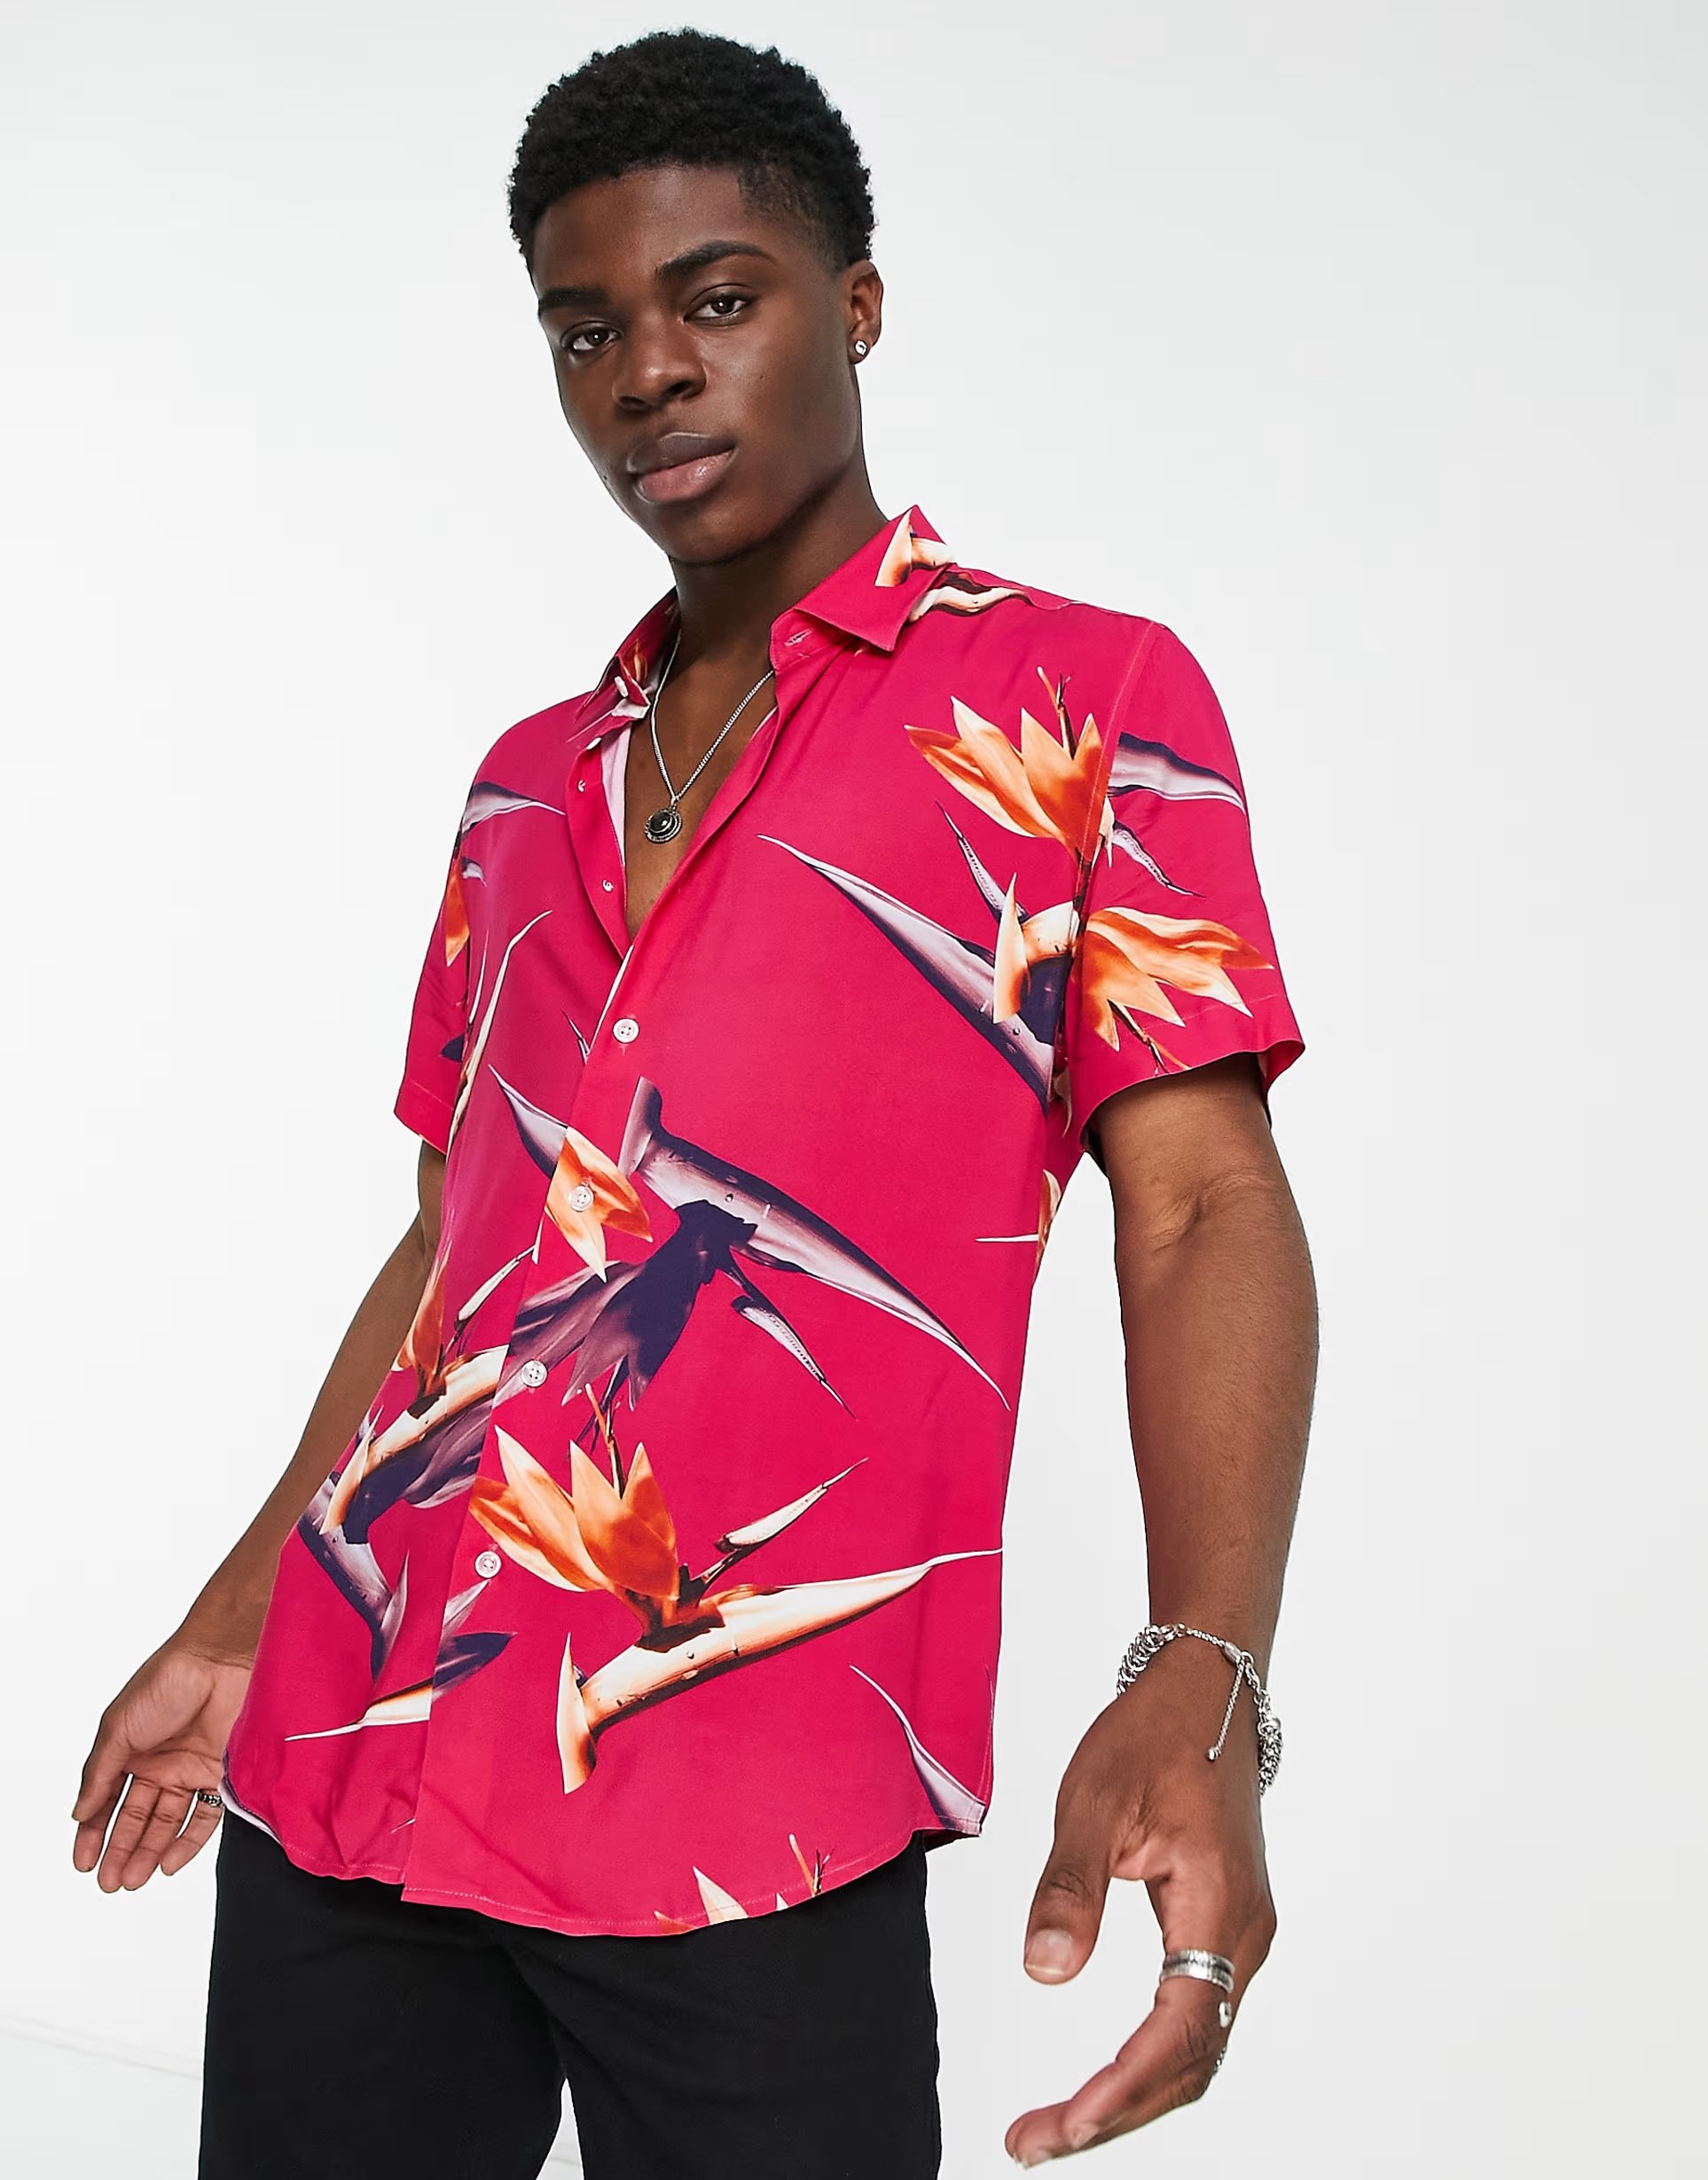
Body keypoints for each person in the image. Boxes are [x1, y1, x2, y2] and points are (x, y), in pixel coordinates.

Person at [69, 27, 1317, 2178]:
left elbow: (1199, 1197)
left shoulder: (1079, 701)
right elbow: (458, 1251)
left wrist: (1205, 1664)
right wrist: (250, 1596)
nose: (649, 370)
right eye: (587, 331)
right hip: (365, 1754)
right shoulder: (522, 786)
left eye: (716, 298)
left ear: (858, 302)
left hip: (756, 1790)